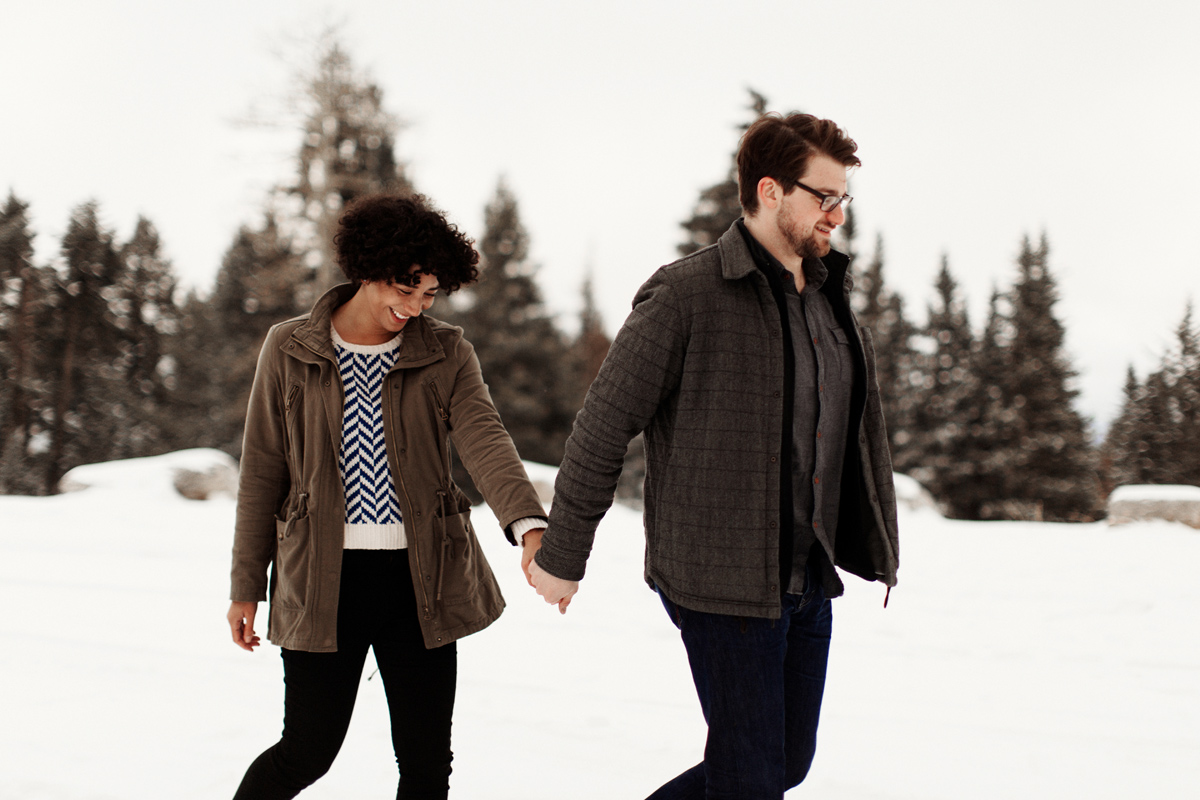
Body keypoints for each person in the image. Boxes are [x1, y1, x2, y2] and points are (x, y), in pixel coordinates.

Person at [523, 112, 900, 798]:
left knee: (782, 764)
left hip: (807, 581)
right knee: (751, 774)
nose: (838, 216)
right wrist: (563, 553)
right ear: (770, 191)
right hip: (722, 581)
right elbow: (604, 428)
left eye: (844, 200)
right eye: (826, 197)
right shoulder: (685, 295)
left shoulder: (830, 302)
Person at [226, 192, 547, 799]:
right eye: (405, 288)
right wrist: (246, 584)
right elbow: (262, 472)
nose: (415, 306)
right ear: (367, 269)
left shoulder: (445, 350)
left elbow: (485, 438)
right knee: (306, 752)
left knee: (427, 765)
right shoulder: (289, 347)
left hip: (421, 577)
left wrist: (528, 523)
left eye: (429, 293)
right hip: (322, 577)